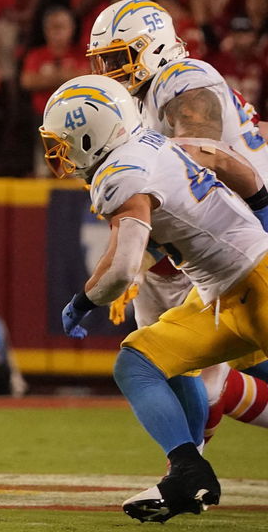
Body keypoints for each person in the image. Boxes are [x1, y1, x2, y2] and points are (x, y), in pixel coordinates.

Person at [41, 74, 268, 521]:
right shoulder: (155, 143)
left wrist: (85, 302)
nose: (59, 152)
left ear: (90, 135)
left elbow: (124, 265)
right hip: (222, 294)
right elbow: (223, 159)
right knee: (140, 361)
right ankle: (188, 469)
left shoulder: (118, 173)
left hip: (252, 281)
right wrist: (262, 206)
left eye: (64, 141)